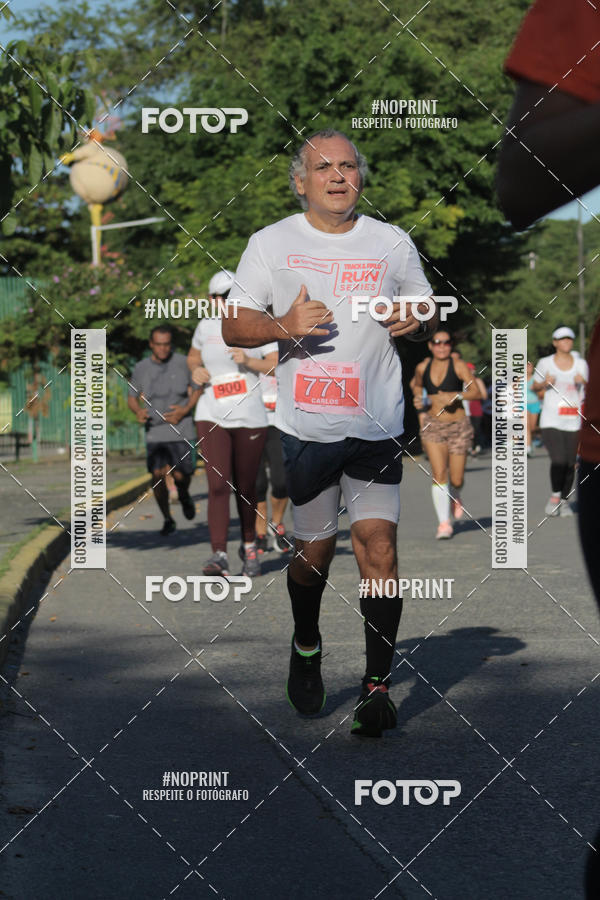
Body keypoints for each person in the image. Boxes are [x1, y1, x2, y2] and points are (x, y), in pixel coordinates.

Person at [222, 128, 437, 737]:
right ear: (300, 181)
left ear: (360, 177)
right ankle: (308, 641)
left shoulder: (392, 242)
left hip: (377, 423)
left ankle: (376, 687)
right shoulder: (271, 242)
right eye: (324, 168)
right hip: (308, 428)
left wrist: (414, 320)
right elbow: (235, 327)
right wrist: (282, 323)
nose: (338, 177)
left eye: (348, 166)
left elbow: (422, 312)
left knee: (379, 549)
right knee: (313, 554)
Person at [188, 270, 275, 578]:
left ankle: (250, 545)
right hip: (211, 412)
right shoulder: (206, 325)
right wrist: (196, 370)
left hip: (250, 415)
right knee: (217, 485)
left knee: (247, 487)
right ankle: (219, 553)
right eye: (221, 297)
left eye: (233, 296)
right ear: (212, 300)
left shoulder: (258, 324)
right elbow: (193, 357)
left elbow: (275, 362)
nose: (227, 302)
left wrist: (249, 361)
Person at [128, 325, 201, 535]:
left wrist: (186, 409)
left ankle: (184, 493)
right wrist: (138, 411)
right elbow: (132, 397)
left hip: (182, 428)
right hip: (156, 431)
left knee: (181, 475)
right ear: (151, 344)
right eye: (158, 345)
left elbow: (197, 390)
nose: (162, 349)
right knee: (158, 474)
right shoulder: (141, 367)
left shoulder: (183, 363)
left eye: (166, 344)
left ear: (171, 344)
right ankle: (168, 518)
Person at [410, 331, 482, 539]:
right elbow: (417, 388)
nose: (442, 346)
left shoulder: (458, 366)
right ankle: (444, 523)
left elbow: (476, 392)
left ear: (451, 345)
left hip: (458, 426)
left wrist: (457, 395)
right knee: (439, 473)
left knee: (457, 478)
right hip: (434, 426)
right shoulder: (422, 368)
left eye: (446, 343)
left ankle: (456, 494)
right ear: (430, 346)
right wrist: (419, 403)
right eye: (437, 342)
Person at [533, 326, 588, 517]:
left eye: (569, 339)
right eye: (562, 339)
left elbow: (591, 390)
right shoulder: (545, 362)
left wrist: (585, 382)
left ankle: (564, 501)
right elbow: (534, 386)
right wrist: (543, 383)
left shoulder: (581, 364)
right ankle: (555, 496)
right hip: (551, 418)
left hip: (574, 419)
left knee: (571, 463)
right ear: (555, 342)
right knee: (559, 460)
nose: (566, 342)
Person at [255, 347, 291, 555]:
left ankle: (276, 525)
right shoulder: (244, 345)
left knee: (281, 480)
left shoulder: (284, 343)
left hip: (280, 422)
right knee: (257, 483)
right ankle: (260, 532)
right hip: (252, 421)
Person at [526, 360, 542, 457]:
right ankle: (527, 447)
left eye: (530, 367)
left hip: (534, 404)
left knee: (532, 427)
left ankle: (531, 440)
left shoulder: (536, 379)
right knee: (526, 426)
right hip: (523, 405)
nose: (528, 369)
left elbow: (542, 393)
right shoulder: (519, 379)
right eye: (526, 367)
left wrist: (536, 389)